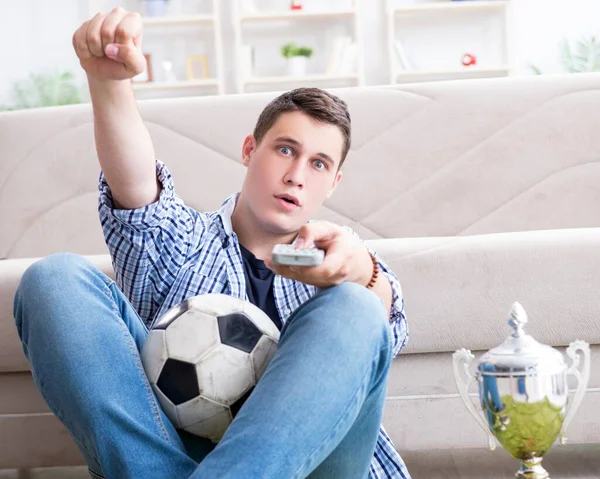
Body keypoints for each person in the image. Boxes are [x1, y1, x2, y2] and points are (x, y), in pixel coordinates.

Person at [13, 7, 410, 479]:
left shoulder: (342, 260)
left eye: (318, 164)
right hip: (168, 456)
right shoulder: (180, 240)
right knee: (53, 278)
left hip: (317, 466)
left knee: (357, 308)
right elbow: (137, 183)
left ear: (334, 183)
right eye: (285, 149)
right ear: (249, 150)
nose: (296, 175)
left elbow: (381, 325)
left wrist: (362, 272)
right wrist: (109, 84)